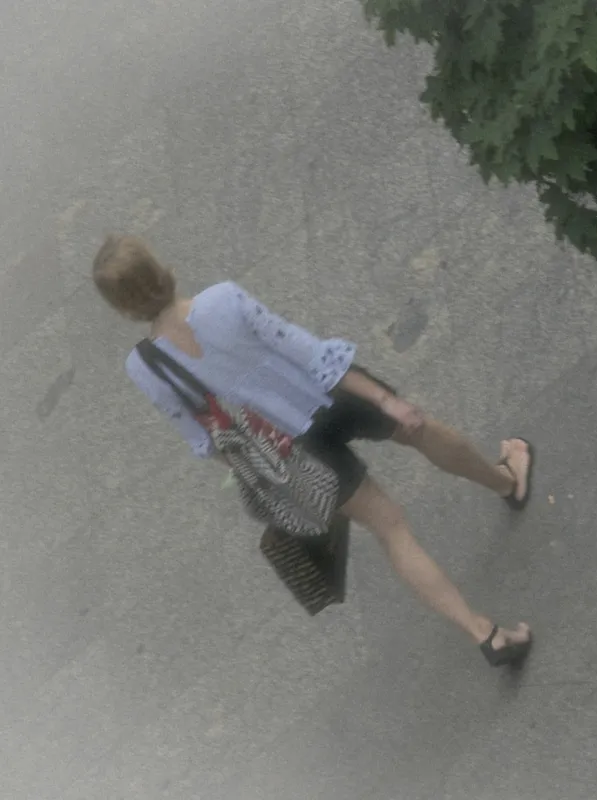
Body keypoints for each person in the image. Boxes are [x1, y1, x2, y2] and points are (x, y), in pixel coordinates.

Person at [93, 234, 534, 667]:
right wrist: (384, 400)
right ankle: (507, 481)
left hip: (292, 453)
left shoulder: (145, 367)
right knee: (421, 433)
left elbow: (204, 439)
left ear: (123, 306)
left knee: (392, 530)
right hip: (329, 395)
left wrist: (270, 473)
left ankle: (485, 634)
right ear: (158, 267)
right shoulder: (223, 300)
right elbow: (303, 349)